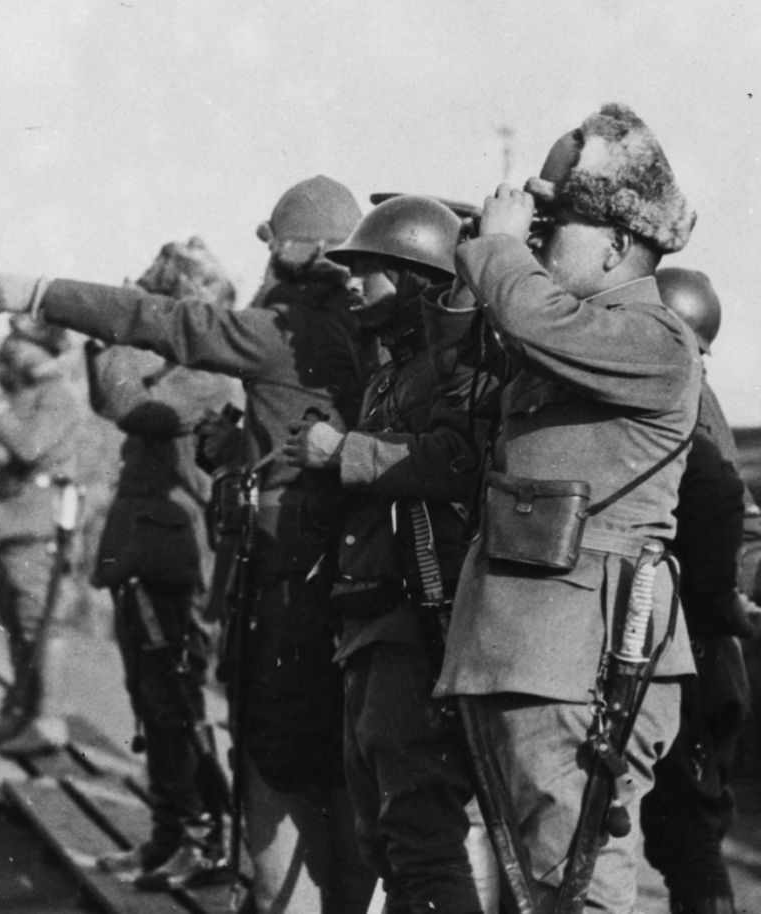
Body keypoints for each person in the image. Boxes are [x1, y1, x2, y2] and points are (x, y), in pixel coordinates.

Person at [0, 175, 379, 914]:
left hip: (284, 593)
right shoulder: (370, 335)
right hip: (350, 588)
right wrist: (239, 449)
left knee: (273, 776)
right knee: (341, 783)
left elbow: (163, 322)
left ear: (290, 254)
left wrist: (40, 292)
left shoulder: (284, 329)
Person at [433, 103, 703, 913]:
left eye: (560, 224)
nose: (542, 239)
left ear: (621, 243)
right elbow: (459, 369)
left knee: (577, 884)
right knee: (545, 882)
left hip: (584, 658)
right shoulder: (570, 339)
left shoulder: (653, 339)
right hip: (537, 649)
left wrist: (504, 248)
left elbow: (527, 309)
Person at [281, 195, 495, 914]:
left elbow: (457, 460)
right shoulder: (388, 376)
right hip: (370, 624)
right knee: (384, 836)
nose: (352, 283)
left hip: (416, 625)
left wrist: (344, 451)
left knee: (421, 836)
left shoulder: (451, 371)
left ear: (413, 280)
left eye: (368, 270)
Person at [85, 238, 242, 890]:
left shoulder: (207, 371)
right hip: (145, 556)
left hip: (178, 564)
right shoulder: (170, 366)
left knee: (177, 704)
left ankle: (204, 837)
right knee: (152, 705)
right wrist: (114, 333)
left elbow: (125, 404)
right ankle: (167, 836)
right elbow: (106, 397)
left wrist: (122, 325)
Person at [640, 267, 761, 914]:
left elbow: (737, 520)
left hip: (691, 652)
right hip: (682, 646)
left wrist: (716, 606)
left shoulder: (687, 401)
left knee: (689, 838)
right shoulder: (682, 395)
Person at [0, 323, 88, 755]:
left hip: (33, 527)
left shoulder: (58, 396)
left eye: (16, 345)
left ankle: (48, 720)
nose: (6, 352)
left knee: (38, 625)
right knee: (16, 624)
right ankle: (22, 711)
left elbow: (30, 446)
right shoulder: (25, 396)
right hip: (6, 523)